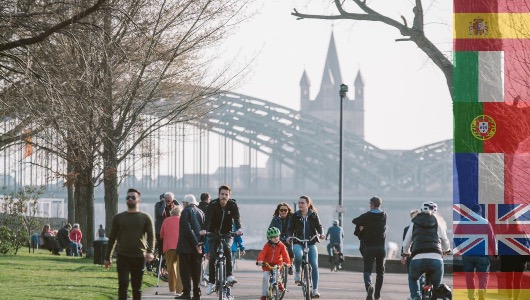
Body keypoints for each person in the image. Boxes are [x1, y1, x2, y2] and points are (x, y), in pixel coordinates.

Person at [103, 188, 155, 300]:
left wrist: (150, 252)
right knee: (123, 284)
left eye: (133, 197)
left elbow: (151, 236)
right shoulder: (118, 218)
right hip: (123, 256)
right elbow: (112, 239)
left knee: (137, 287)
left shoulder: (145, 218)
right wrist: (108, 257)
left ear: (139, 200)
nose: (130, 199)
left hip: (139, 257)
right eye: (128, 197)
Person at [402, 201, 451, 300]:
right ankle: (435, 295)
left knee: (413, 278)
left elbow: (406, 242)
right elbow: (445, 240)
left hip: (417, 259)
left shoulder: (414, 222)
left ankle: (415, 296)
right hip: (436, 259)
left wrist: (406, 252)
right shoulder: (438, 223)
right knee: (437, 285)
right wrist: (446, 250)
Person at [200, 185, 243, 296]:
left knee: (227, 248)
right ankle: (211, 283)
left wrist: (238, 229)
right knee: (213, 257)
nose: (224, 196)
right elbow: (208, 219)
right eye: (222, 194)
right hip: (213, 233)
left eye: (226, 194)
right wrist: (204, 229)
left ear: (229, 195)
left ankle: (229, 275)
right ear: (218, 195)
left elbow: (237, 218)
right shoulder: (213, 205)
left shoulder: (233, 205)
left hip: (228, 233)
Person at [287, 195, 325, 298]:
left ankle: (315, 289)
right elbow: (290, 228)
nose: (300, 205)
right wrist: (290, 236)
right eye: (299, 203)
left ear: (308, 204)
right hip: (298, 242)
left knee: (314, 264)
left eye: (302, 203)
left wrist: (321, 234)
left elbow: (319, 227)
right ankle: (298, 272)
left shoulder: (313, 215)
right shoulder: (295, 216)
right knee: (298, 255)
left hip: (311, 242)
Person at [352, 196, 387, 300]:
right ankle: (377, 296)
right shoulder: (384, 215)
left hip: (369, 247)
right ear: (380, 204)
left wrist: (364, 227)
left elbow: (355, 221)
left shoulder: (367, 216)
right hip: (381, 247)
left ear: (371, 204)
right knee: (380, 272)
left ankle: (369, 287)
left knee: (367, 270)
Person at [459, 204, 494, 300]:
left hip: (467, 253)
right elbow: (491, 238)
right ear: (480, 212)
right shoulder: (485, 222)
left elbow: (456, 237)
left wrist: (461, 248)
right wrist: (494, 252)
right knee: (483, 274)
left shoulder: (463, 221)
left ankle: (471, 296)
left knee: (469, 276)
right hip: (482, 254)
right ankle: (482, 291)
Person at [176, 194, 205, 300]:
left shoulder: (185, 211)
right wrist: (200, 244)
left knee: (185, 271)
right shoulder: (201, 212)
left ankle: (186, 293)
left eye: (183, 203)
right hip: (197, 249)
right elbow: (204, 230)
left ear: (186, 203)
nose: (182, 205)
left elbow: (187, 229)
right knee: (196, 272)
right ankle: (197, 294)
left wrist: (195, 243)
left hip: (185, 247)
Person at [257, 227, 292, 300]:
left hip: (277, 264)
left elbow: (285, 255)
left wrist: (288, 263)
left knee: (277, 274)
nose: (276, 238)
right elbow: (262, 253)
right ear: (269, 238)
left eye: (277, 236)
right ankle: (263, 295)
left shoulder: (281, 245)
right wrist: (260, 260)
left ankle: (279, 284)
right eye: (273, 237)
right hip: (267, 265)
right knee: (265, 278)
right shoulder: (267, 246)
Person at [160, 206, 183, 296]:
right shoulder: (182, 220)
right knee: (180, 269)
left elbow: (161, 234)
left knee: (171, 268)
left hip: (169, 247)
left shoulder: (166, 220)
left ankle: (172, 289)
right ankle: (179, 290)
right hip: (181, 247)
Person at [269, 202, 294, 274]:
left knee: (291, 252)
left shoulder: (292, 219)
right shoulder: (275, 219)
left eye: (285, 210)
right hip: (278, 239)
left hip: (288, 239)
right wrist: (272, 238)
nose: (283, 212)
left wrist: (291, 237)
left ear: (288, 211)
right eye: (281, 210)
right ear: (279, 211)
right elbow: (271, 228)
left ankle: (290, 265)